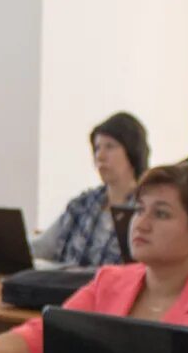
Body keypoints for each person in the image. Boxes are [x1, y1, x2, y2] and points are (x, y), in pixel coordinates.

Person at [0, 165, 188, 353]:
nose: (141, 223)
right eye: (140, 209)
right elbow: (47, 335)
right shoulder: (110, 281)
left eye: (161, 213)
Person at [31, 112, 149, 268]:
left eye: (110, 147)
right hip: (67, 288)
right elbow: (42, 247)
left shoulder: (146, 209)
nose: (100, 156)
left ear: (132, 151)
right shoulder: (82, 204)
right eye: (97, 148)